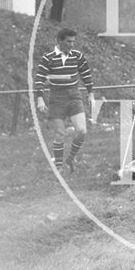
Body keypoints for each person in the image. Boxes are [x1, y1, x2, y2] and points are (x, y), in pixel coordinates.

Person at [35, 28, 95, 172]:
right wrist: (40, 98)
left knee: (82, 131)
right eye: (68, 42)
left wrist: (90, 93)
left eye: (73, 42)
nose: (71, 45)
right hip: (57, 98)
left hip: (74, 96)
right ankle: (59, 166)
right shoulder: (48, 58)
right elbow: (40, 78)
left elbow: (86, 74)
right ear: (59, 41)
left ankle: (71, 158)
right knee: (60, 133)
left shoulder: (77, 56)